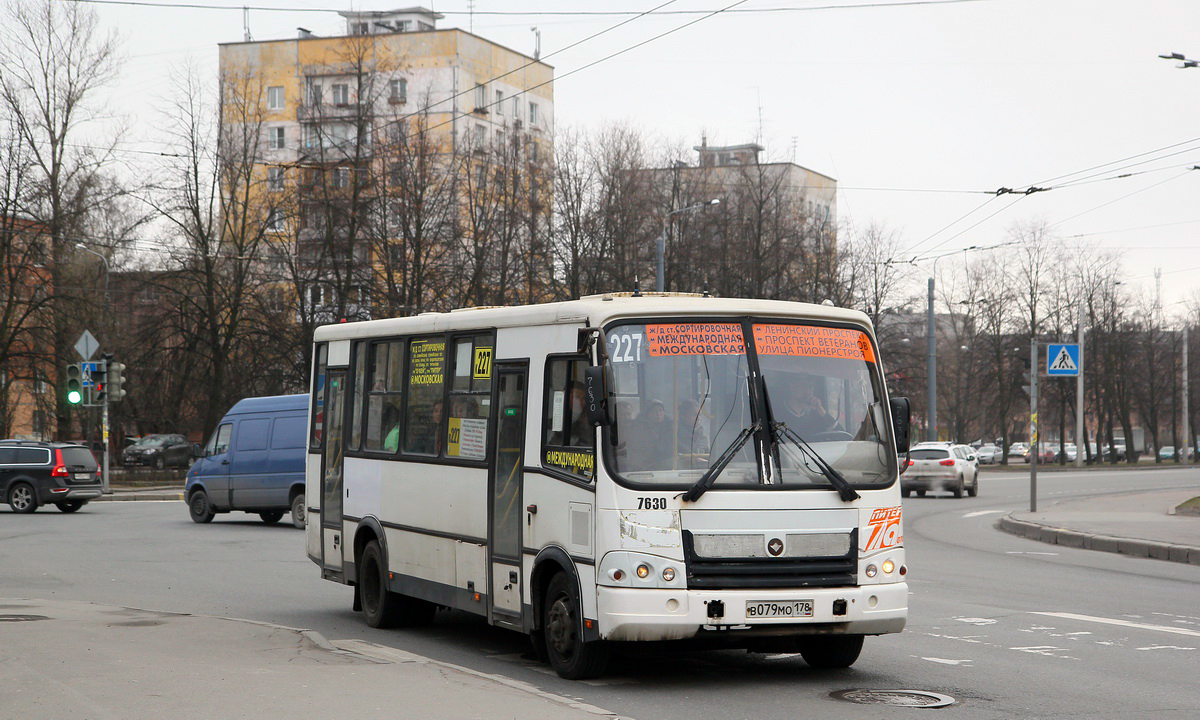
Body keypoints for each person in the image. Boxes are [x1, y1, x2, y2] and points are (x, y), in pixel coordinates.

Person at [631, 399, 674, 470]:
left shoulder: (670, 427)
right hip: (645, 465)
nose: (658, 414)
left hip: (666, 464)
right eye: (654, 411)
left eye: (661, 410)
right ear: (648, 413)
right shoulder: (638, 428)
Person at [550, 382, 593, 447]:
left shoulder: (589, 420)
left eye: (583, 398)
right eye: (577, 397)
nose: (580, 402)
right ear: (566, 398)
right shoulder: (555, 421)